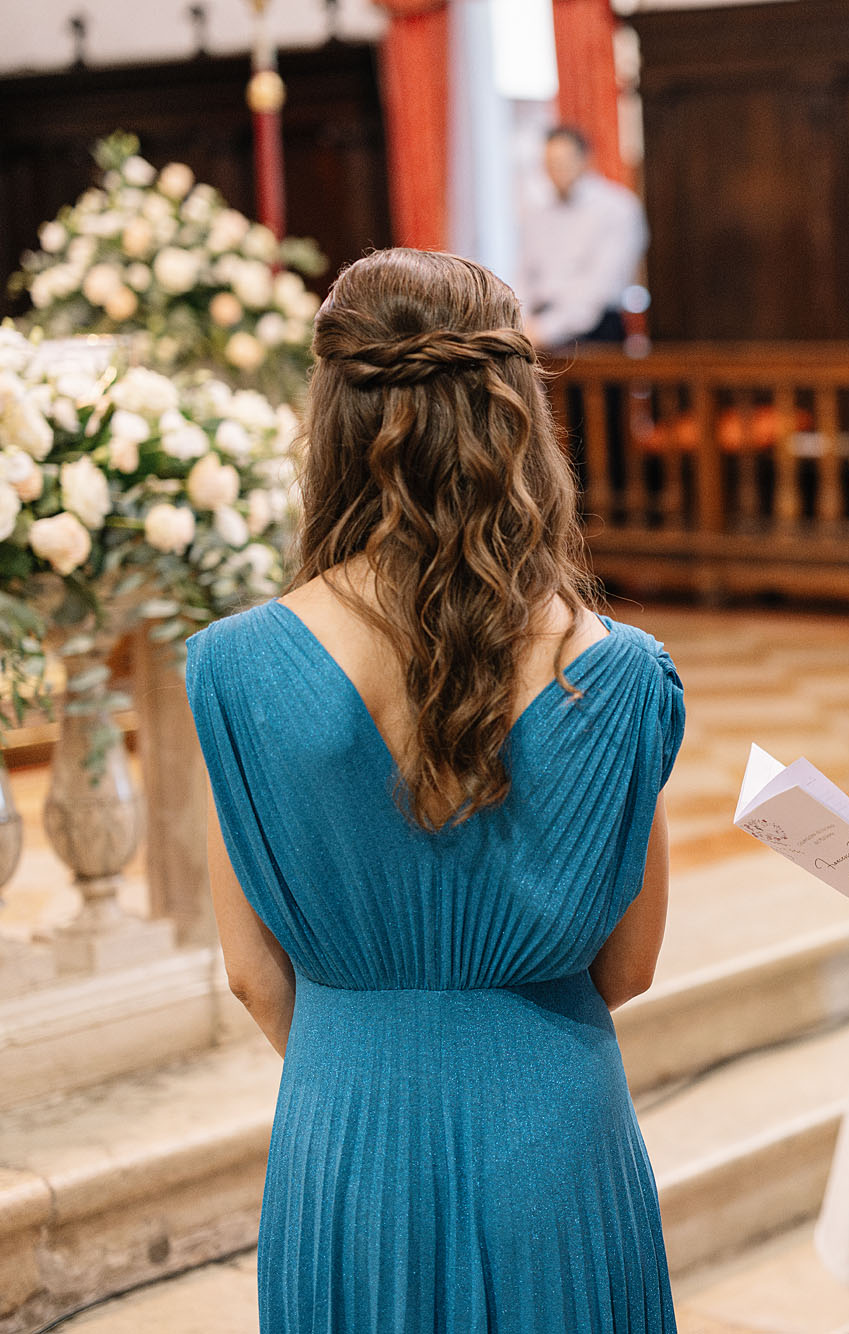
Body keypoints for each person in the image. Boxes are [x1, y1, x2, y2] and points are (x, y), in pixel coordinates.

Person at [186, 249, 685, 1332]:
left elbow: (249, 972)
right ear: (516, 420)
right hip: (553, 1130)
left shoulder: (233, 668)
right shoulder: (626, 672)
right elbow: (630, 963)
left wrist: (372, 1050)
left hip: (345, 1128)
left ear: (329, 420)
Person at [517, 125, 647, 349]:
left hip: (596, 332)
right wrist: (522, 322)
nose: (557, 172)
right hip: (540, 329)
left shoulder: (617, 208)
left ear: (585, 160)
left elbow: (601, 286)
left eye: (563, 162)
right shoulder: (536, 212)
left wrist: (546, 330)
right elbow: (526, 272)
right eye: (550, 164)